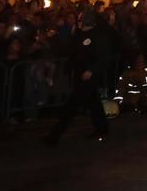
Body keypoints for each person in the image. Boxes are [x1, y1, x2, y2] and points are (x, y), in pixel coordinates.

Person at [43, 12, 113, 144]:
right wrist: (54, 38)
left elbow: (103, 56)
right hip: (80, 74)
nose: (78, 21)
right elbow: (70, 50)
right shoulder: (80, 34)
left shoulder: (99, 36)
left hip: (89, 76)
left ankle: (54, 136)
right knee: (94, 104)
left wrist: (92, 70)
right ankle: (102, 129)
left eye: (81, 19)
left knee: (72, 105)